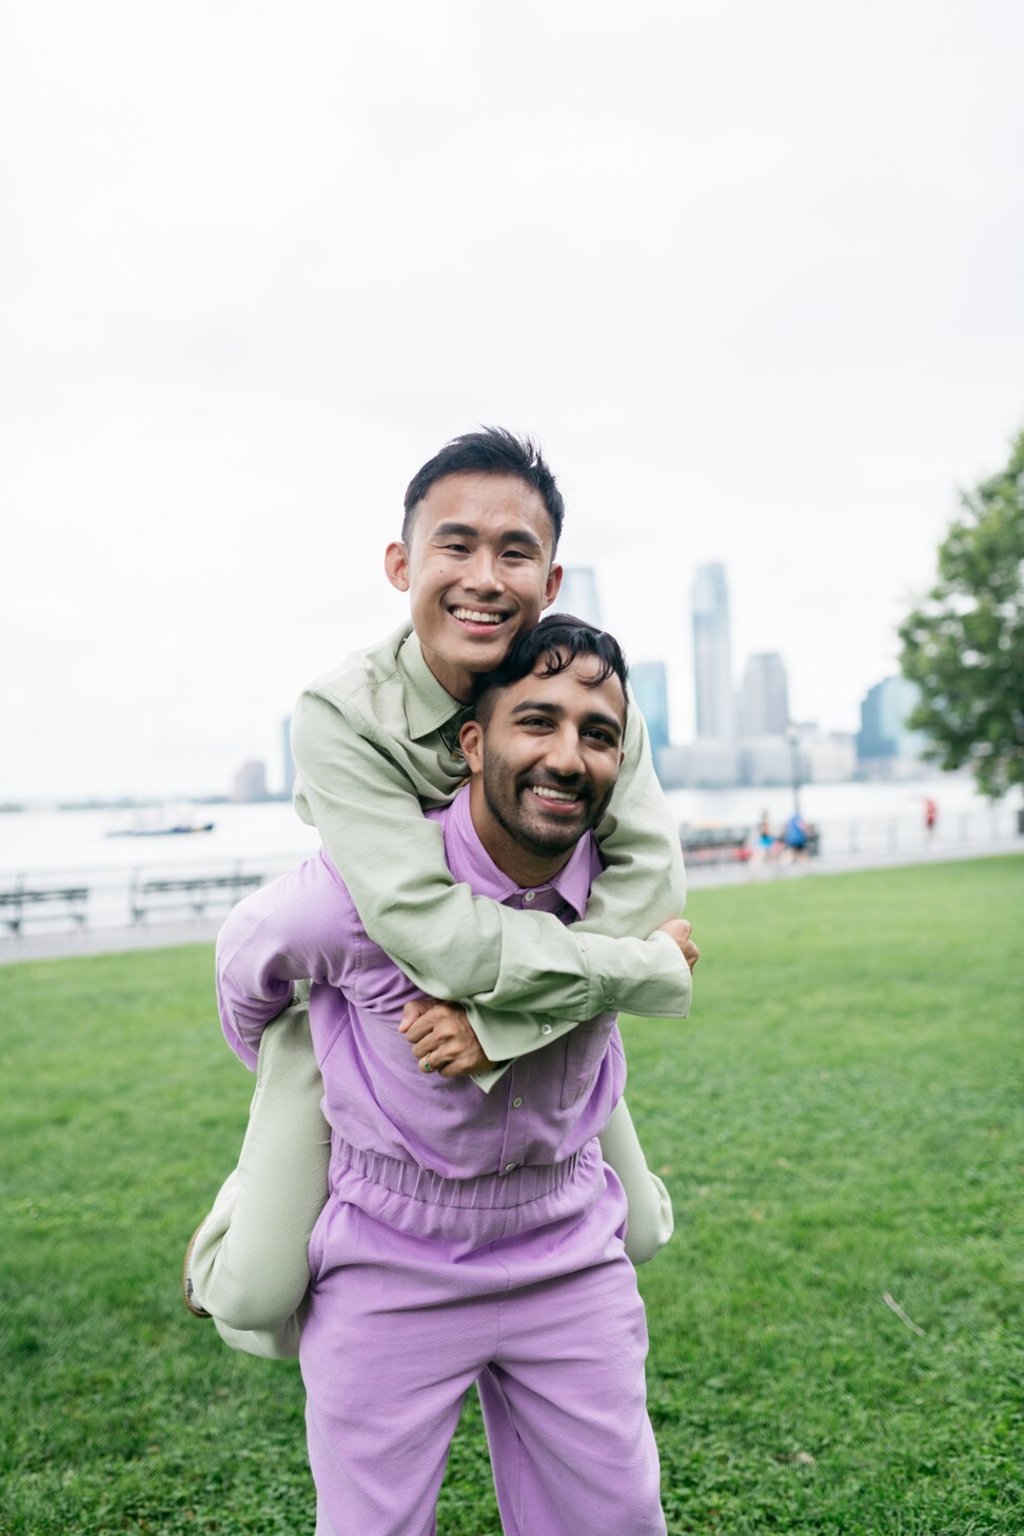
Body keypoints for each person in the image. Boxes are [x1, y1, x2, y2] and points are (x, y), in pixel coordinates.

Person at [185, 427, 693, 1350]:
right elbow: (428, 930)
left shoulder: (583, 685)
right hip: (378, 1014)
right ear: (400, 562)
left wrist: (504, 1027)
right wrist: (636, 969)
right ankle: (236, 1213)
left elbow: (652, 876)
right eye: (455, 544)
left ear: (553, 579)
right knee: (254, 1299)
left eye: (516, 552)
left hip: (548, 1016)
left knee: (646, 1229)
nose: (486, 577)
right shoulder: (344, 713)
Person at [214, 618, 696, 1534]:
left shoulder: (621, 898)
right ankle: (235, 1222)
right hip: (391, 1255)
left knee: (618, 1521)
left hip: (568, 1245)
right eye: (536, 722)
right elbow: (246, 973)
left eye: (597, 735)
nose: (566, 756)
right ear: (472, 742)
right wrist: (300, 1077)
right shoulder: (356, 895)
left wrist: (498, 1024)